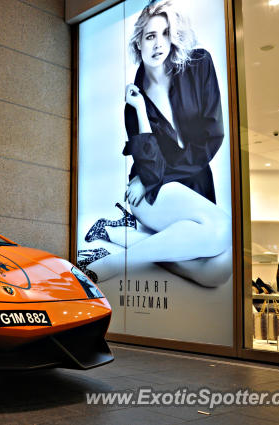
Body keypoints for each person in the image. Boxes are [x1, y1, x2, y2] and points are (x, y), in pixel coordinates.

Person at [80, 0, 231, 288]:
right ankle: (110, 265)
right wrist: (140, 110)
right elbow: (149, 166)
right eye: (150, 36)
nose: (158, 44)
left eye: (165, 33)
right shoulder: (133, 102)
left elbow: (211, 136)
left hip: (188, 186)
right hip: (150, 190)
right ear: (138, 44)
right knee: (221, 229)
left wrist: (160, 176)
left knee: (216, 273)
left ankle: (120, 235)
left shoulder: (199, 64)